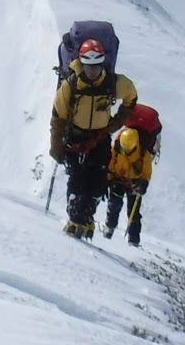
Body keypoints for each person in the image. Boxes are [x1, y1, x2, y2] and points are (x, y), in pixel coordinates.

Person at [49, 37, 137, 238]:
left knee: (97, 183)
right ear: (82, 63)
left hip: (99, 138)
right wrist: (56, 145)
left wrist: (116, 123)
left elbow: (131, 97)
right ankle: (75, 219)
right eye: (89, 66)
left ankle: (86, 219)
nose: (92, 70)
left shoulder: (112, 83)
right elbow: (58, 116)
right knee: (78, 180)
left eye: (96, 66)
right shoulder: (71, 85)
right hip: (76, 138)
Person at [102, 120, 155, 246]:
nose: (125, 151)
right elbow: (111, 160)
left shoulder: (144, 153)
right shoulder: (117, 145)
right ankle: (109, 229)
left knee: (133, 212)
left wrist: (143, 184)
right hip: (118, 178)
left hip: (135, 183)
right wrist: (108, 176)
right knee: (114, 204)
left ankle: (134, 240)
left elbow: (147, 172)